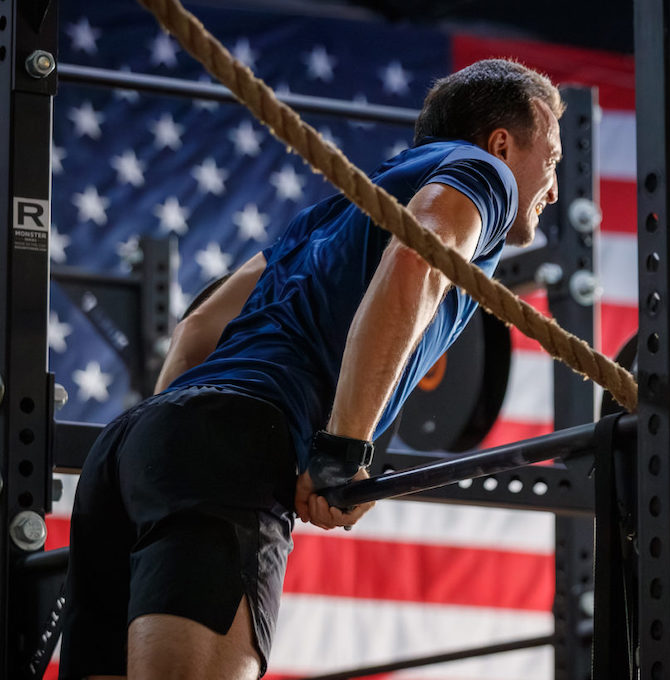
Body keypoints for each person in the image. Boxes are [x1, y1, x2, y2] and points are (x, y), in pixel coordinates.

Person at [59, 58, 564, 680]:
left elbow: (196, 332)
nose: (555, 187)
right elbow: (419, 262)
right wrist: (342, 448)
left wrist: (170, 456)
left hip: (131, 449)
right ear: (502, 143)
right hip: (237, 438)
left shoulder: (335, 211)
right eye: (553, 159)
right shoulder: (486, 174)